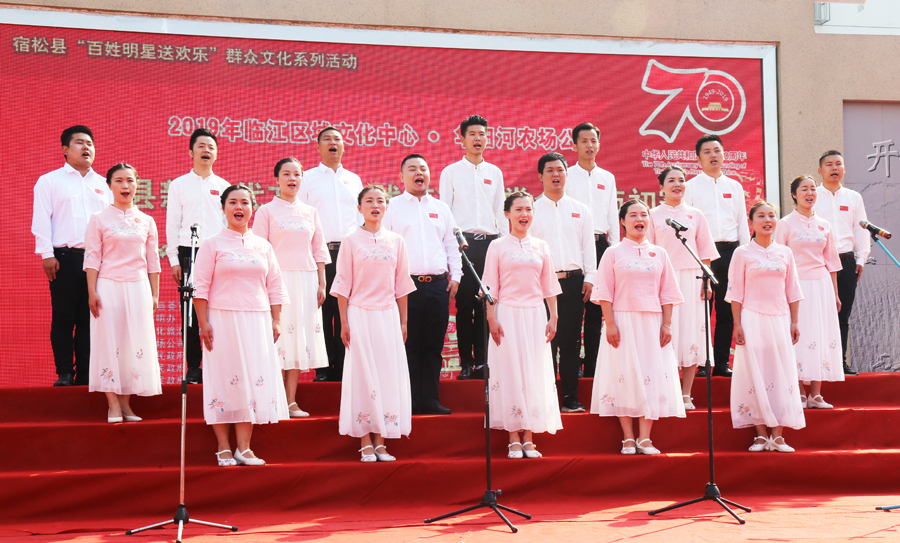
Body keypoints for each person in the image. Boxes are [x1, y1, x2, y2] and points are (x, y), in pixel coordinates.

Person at [192, 185, 289, 467]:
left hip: (257, 320)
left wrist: (276, 319)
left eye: (244, 202)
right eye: (232, 202)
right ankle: (223, 447)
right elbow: (200, 286)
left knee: (249, 381)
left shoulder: (263, 245)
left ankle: (244, 448)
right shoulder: (212, 244)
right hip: (221, 320)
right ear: (223, 208)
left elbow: (275, 286)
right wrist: (203, 322)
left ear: (252, 208)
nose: (239, 207)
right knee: (223, 379)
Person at [591, 199, 685, 455]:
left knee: (650, 376)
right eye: (633, 215)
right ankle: (628, 438)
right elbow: (604, 291)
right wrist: (610, 323)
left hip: (652, 323)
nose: (639, 219)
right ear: (622, 221)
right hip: (622, 322)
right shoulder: (613, 252)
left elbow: (667, 292)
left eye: (644, 214)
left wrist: (667, 324)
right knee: (624, 375)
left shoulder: (660, 253)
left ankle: (645, 438)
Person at [332, 185, 416, 462]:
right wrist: (344, 321)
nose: (375, 205)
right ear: (359, 208)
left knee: (386, 376)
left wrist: (403, 321)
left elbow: (402, 285)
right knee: (363, 375)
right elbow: (342, 284)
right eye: (369, 201)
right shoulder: (350, 240)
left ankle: (381, 441)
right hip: (359, 314)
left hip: (388, 315)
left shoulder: (396, 241)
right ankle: (365, 441)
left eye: (380, 200)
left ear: (386, 207)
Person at [484, 191, 563, 459]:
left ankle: (528, 436)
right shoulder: (497, 246)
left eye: (528, 209)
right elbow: (490, 285)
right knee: (510, 372)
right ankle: (513, 437)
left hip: (535, 316)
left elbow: (549, 284)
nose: (524, 214)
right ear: (507, 214)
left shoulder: (541, 246)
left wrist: (553, 316)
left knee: (533, 373)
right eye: (518, 209)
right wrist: (491, 317)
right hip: (507, 314)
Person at [32, 125, 111, 386]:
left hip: (97, 261)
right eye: (79, 142)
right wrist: (47, 254)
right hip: (64, 258)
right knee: (64, 317)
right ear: (65, 149)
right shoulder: (50, 181)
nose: (86, 147)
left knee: (90, 319)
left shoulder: (104, 184)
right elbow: (41, 220)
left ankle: (87, 374)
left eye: (90, 143)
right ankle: (65, 372)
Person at [384, 154, 462, 415]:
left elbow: (451, 245)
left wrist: (456, 276)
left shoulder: (441, 208)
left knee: (433, 346)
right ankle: (409, 401)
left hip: (438, 286)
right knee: (408, 344)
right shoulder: (392, 207)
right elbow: (385, 246)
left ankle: (430, 400)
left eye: (423, 169)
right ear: (401, 177)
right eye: (412, 169)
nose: (419, 173)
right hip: (405, 287)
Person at [84, 164, 162, 422]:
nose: (125, 186)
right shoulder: (99, 219)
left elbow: (153, 262)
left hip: (138, 286)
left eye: (130, 180)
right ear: (109, 185)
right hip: (108, 286)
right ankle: (112, 404)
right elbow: (92, 257)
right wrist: (92, 291)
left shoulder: (147, 220)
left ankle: (126, 404)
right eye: (118, 180)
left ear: (137, 184)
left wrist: (154, 294)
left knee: (133, 343)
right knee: (108, 341)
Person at [253, 158, 330, 418]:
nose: (292, 179)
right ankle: (271, 399)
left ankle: (290, 401)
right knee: (275, 338)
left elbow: (319, 250)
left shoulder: (310, 212)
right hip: (276, 281)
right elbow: (258, 250)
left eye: (297, 174)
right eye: (286, 174)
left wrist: (322, 282)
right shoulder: (266, 211)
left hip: (306, 282)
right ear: (277, 179)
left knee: (297, 341)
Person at [728, 201, 805, 453]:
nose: (767, 220)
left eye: (771, 215)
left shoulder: (785, 252)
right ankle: (761, 435)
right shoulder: (742, 253)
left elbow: (793, 290)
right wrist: (737, 324)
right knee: (756, 373)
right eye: (761, 216)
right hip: (751, 318)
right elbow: (735, 292)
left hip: (780, 318)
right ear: (751, 222)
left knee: (780, 372)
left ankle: (778, 436)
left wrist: (794, 321)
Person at [440, 115, 507, 380]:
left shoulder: (495, 172)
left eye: (482, 134)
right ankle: (466, 363)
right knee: (465, 304)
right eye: (472, 134)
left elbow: (501, 213)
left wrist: (504, 245)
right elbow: (445, 213)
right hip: (463, 246)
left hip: (490, 244)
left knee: (486, 304)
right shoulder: (451, 172)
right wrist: (450, 251)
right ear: (462, 139)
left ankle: (483, 362)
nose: (478, 139)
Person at [647, 166, 719, 410]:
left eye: (681, 180)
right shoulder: (653, 215)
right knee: (665, 334)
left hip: (692, 279)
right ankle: (665, 392)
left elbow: (705, 251)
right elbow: (648, 250)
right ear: (661, 187)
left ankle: (686, 393)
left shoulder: (695, 214)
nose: (677, 184)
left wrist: (706, 281)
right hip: (663, 280)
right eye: (671, 180)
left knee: (690, 335)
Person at [530, 152, 596, 413]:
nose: (555, 174)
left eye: (560, 170)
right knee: (544, 342)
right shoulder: (531, 210)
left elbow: (588, 247)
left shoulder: (581, 210)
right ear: (540, 176)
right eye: (549, 170)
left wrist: (590, 277)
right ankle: (544, 399)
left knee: (571, 343)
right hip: (541, 285)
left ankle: (569, 397)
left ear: (567, 175)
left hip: (573, 283)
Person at [165, 128, 231, 385]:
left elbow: (228, 224)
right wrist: (174, 260)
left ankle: (219, 365)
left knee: (219, 307)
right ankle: (193, 367)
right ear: (190, 152)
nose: (206, 150)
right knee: (190, 312)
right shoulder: (179, 184)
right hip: (188, 252)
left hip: (218, 252)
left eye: (211, 147)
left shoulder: (223, 186)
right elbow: (173, 224)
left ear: (216, 154)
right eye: (201, 146)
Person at [299, 127, 364, 382]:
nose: (332, 142)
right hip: (320, 254)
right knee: (323, 312)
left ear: (343, 146)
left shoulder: (354, 179)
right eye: (327, 139)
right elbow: (302, 216)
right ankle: (324, 368)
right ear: (318, 147)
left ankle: (346, 365)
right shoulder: (308, 178)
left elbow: (360, 218)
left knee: (346, 311)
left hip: (349, 253)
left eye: (337, 139)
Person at [684, 134, 750, 377]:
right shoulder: (690, 187)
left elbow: (742, 224)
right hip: (702, 255)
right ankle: (702, 362)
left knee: (726, 310)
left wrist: (746, 255)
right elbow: (688, 225)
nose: (713, 155)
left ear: (723, 155)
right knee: (702, 310)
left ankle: (722, 362)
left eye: (717, 151)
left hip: (731, 252)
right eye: (707, 152)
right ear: (698, 158)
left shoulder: (735, 186)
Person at [775, 175, 844, 407]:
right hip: (795, 286)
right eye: (804, 189)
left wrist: (834, 294)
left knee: (819, 334)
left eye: (813, 188)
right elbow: (779, 259)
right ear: (794, 195)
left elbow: (831, 262)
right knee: (798, 334)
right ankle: (799, 391)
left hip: (821, 286)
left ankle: (816, 394)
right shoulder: (785, 223)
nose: (809, 193)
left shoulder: (824, 225)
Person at [564, 122, 619, 378]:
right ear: (574, 145)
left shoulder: (607, 178)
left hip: (600, 246)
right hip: (573, 247)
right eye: (584, 141)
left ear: (599, 144)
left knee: (597, 308)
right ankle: (572, 363)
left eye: (593, 140)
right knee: (574, 309)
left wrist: (615, 251)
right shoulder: (566, 175)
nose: (589, 145)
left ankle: (593, 365)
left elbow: (612, 217)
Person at [813, 150, 870, 376]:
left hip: (845, 261)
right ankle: (817, 362)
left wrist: (861, 258)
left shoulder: (853, 197)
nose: (834, 168)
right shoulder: (812, 195)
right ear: (820, 170)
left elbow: (861, 228)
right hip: (817, 263)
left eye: (838, 164)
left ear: (844, 169)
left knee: (842, 314)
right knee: (817, 314)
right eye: (829, 164)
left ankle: (839, 362)